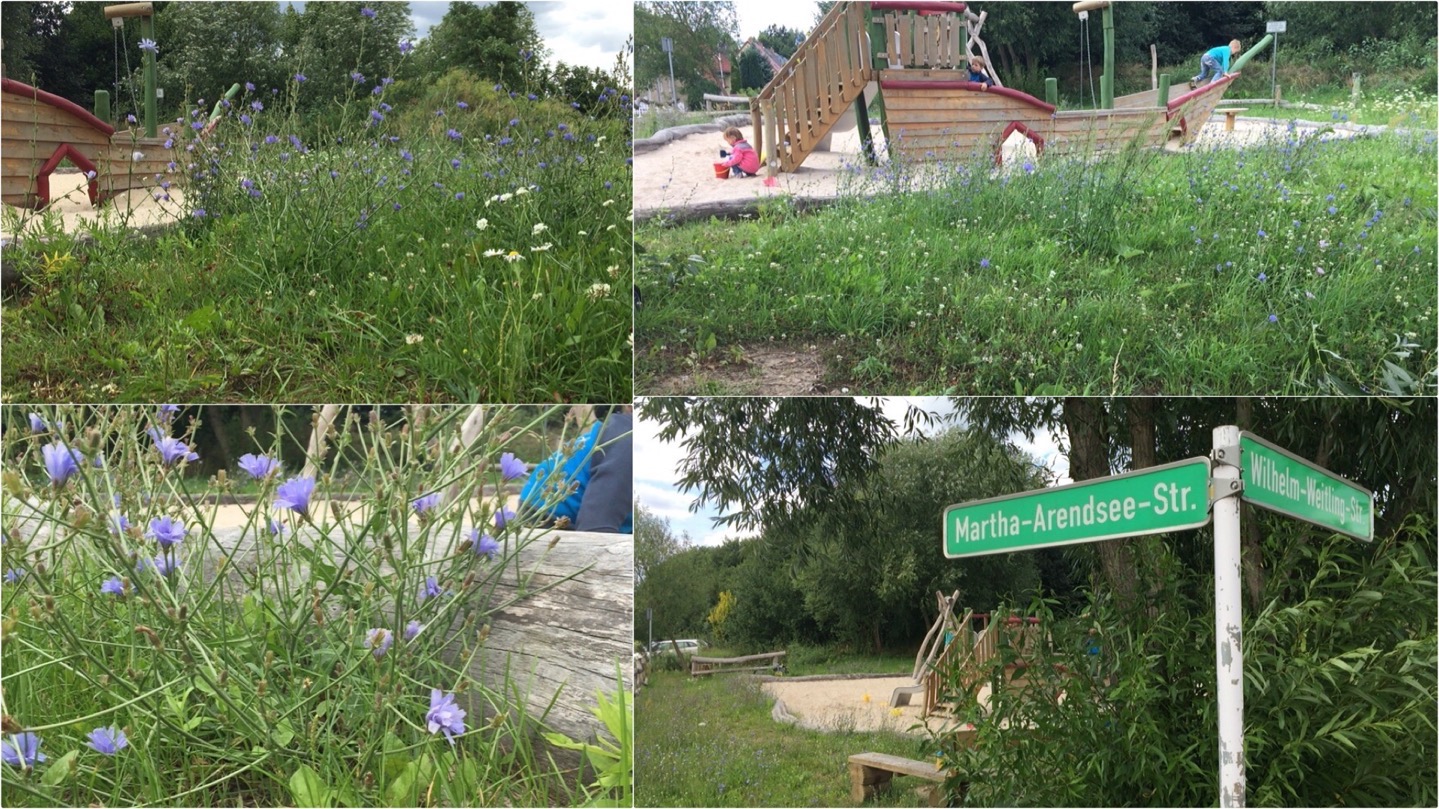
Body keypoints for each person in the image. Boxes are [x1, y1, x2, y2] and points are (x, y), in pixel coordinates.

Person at [518, 407, 632, 533]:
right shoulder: (627, 442)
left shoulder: (620, 431)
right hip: (548, 515)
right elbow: (595, 530)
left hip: (542, 499)